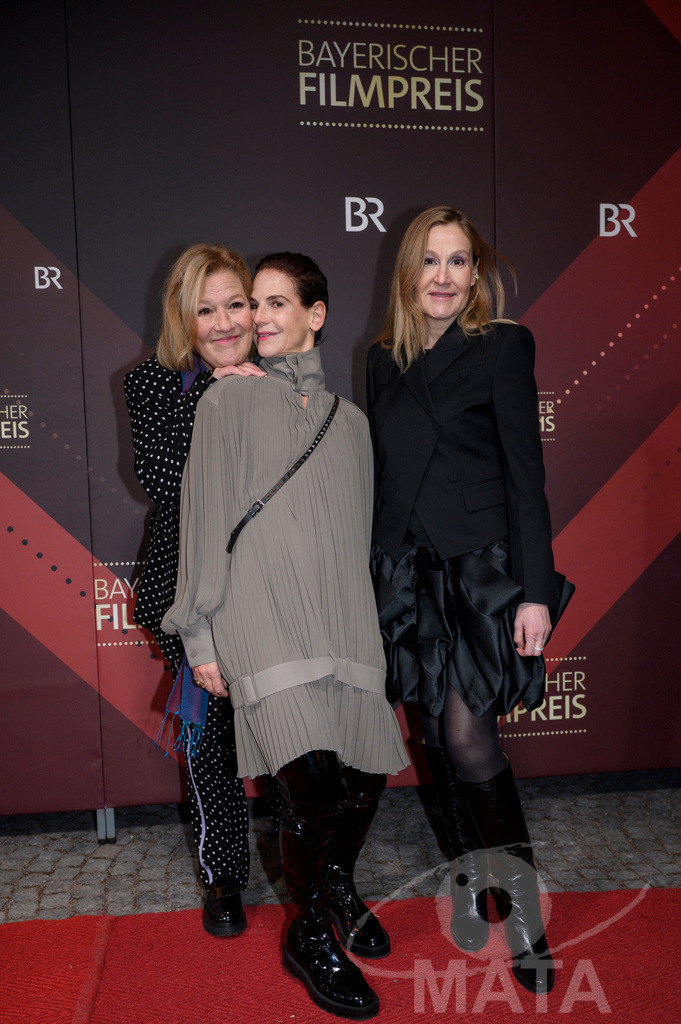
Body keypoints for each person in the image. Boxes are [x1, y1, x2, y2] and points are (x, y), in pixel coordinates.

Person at [163, 252, 409, 1021]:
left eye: (275, 303)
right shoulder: (224, 404)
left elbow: (357, 533)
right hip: (260, 618)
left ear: (317, 313)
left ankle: (333, 882)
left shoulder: (354, 423)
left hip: (342, 617)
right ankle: (308, 934)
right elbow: (203, 525)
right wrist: (201, 638)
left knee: (363, 774)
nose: (258, 318)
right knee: (304, 783)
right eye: (252, 304)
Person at [366, 206, 571, 996]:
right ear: (408, 273)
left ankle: (523, 919)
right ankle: (471, 876)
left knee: (468, 737)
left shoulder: (501, 346)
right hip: (407, 576)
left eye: (459, 262)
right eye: (430, 260)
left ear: (474, 275)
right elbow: (383, 474)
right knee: (432, 739)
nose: (444, 277)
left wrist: (533, 592)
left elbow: (527, 476)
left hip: (480, 573)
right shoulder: (380, 358)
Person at [124, 243, 265, 937]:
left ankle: (318, 876)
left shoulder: (284, 379)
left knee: (296, 740)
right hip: (195, 596)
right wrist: (218, 390)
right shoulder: (151, 382)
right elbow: (163, 481)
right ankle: (225, 880)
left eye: (233, 303)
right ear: (183, 315)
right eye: (203, 308)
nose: (221, 322)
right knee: (211, 746)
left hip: (278, 593)